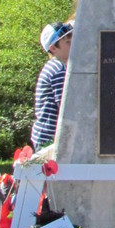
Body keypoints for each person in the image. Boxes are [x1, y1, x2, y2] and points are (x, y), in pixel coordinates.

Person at [31, 21, 74, 150]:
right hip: (49, 140)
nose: (73, 44)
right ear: (53, 48)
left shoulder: (57, 66)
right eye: (67, 42)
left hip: (47, 137)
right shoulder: (58, 70)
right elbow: (66, 106)